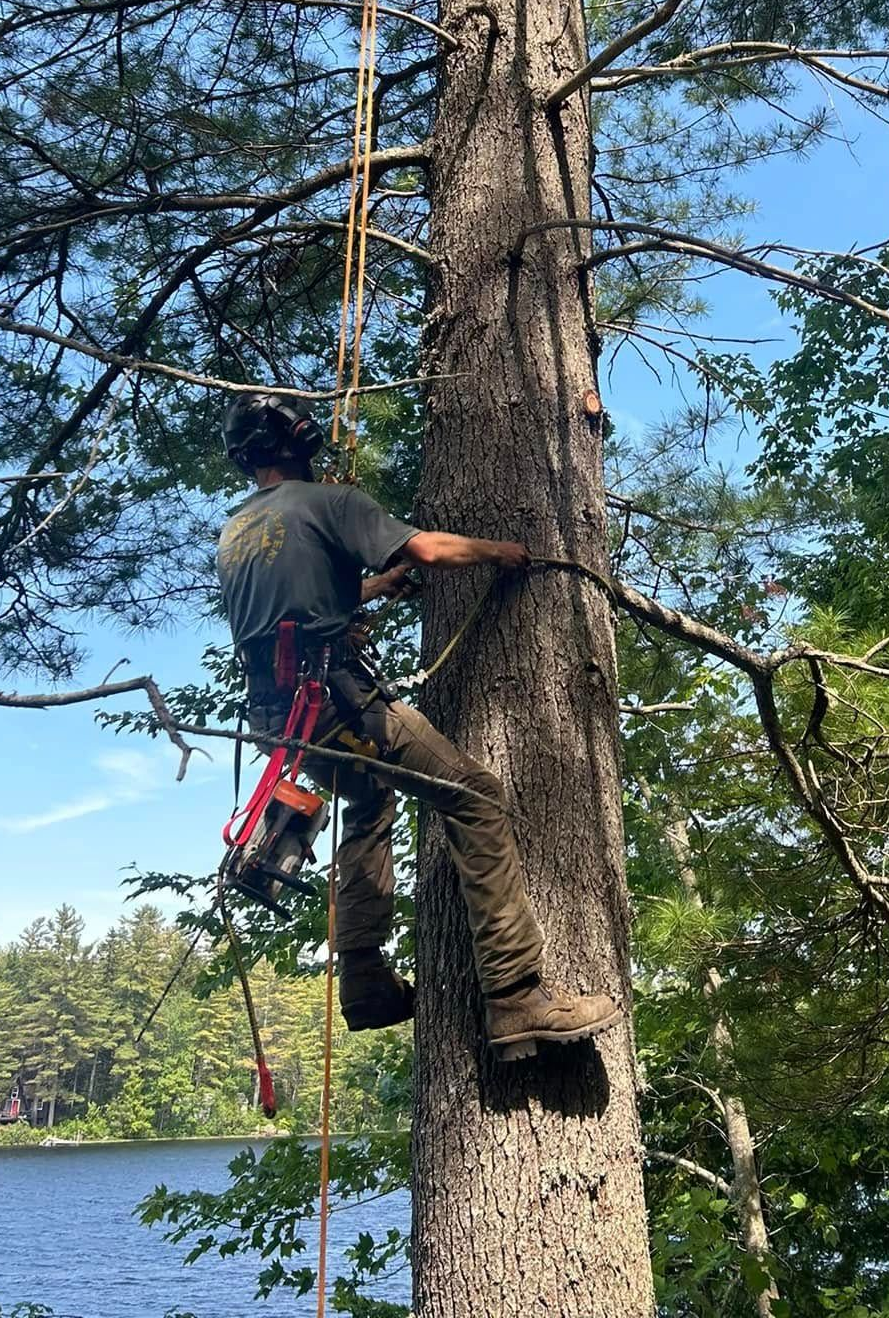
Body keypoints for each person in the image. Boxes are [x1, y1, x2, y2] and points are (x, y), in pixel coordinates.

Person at [215, 390, 621, 1060]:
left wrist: (376, 587)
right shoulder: (330, 503)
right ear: (298, 438)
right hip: (341, 700)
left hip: (277, 718)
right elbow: (430, 549)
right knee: (473, 795)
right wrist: (498, 550)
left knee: (370, 801)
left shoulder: (236, 534)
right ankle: (517, 996)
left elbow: (302, 600)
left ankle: (366, 981)